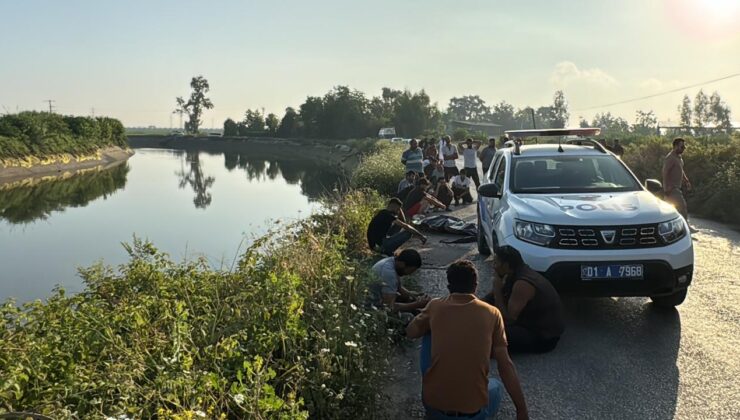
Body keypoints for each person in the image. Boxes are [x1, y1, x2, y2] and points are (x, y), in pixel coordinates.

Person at [406, 260, 529, 420]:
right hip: (472, 414)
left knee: (428, 332)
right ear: (475, 285)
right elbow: (505, 365)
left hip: (434, 408)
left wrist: (426, 315)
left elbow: (410, 332)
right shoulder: (492, 313)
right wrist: (521, 410)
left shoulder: (435, 306)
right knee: (495, 386)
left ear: (449, 286)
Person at [482, 246, 565, 354]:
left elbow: (509, 320)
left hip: (542, 336)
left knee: (485, 335)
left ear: (506, 265)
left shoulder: (523, 284)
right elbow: (490, 298)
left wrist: (497, 290)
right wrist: (472, 306)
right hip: (527, 322)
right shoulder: (513, 272)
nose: (493, 267)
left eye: (496, 263)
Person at [371, 249, 430, 314]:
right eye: (410, 271)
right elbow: (388, 308)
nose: (409, 274)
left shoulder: (392, 262)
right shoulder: (389, 273)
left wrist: (411, 294)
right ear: (402, 264)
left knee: (408, 299)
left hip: (382, 297)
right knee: (410, 317)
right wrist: (416, 304)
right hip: (374, 308)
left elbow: (398, 287)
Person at [662, 137, 692, 222]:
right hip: (672, 188)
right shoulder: (670, 158)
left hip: (677, 187)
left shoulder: (679, 157)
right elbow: (665, 172)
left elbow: (681, 170)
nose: (684, 148)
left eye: (684, 147)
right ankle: (686, 226)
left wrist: (686, 180)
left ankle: (675, 227)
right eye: (682, 147)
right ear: (675, 146)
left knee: (670, 209)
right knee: (682, 207)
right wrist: (666, 187)